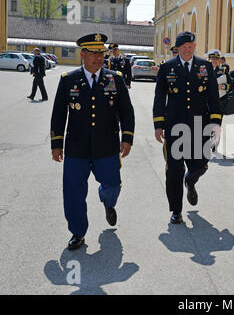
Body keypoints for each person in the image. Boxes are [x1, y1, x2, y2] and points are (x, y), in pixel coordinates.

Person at [50, 33, 135, 251]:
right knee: (73, 192)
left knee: (113, 185)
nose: (99, 57)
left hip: (107, 147)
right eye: (94, 53)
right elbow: (59, 114)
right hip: (76, 147)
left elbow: (126, 112)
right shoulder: (68, 80)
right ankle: (78, 232)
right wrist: (56, 144)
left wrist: (127, 138)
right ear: (83, 54)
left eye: (102, 53)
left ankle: (108, 202)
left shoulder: (115, 79)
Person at [153, 31, 222, 224]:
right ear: (177, 49)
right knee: (173, 170)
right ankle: (176, 210)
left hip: (200, 126)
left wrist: (216, 123)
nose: (187, 50)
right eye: (183, 48)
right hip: (174, 127)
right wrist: (158, 124)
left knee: (201, 164)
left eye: (190, 47)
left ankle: (191, 181)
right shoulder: (167, 67)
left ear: (194, 46)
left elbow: (213, 98)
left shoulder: (205, 66)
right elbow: (160, 97)